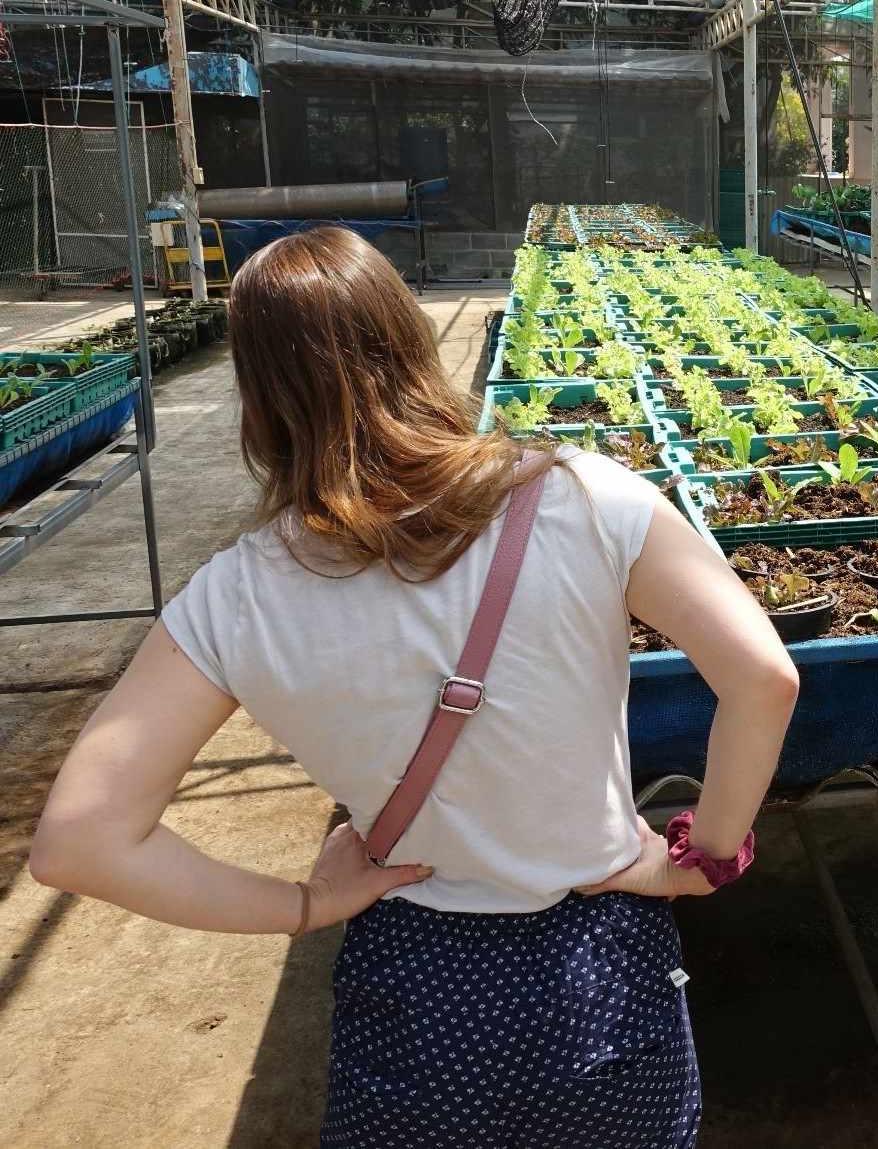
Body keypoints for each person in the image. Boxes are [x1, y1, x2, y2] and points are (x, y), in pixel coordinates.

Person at [29, 227, 800, 1147]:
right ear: (411, 341)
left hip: (418, 1000)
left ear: (259, 397)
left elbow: (78, 841)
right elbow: (764, 675)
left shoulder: (236, 596)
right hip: (599, 981)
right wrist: (699, 859)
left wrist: (307, 905)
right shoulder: (586, 497)